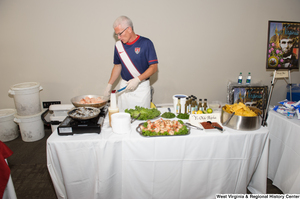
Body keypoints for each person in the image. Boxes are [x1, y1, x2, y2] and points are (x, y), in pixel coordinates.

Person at [103, 16, 158, 111]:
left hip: (141, 88)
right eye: (117, 35)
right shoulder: (118, 46)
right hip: (124, 88)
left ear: (129, 29)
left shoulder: (146, 43)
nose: (119, 37)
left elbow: (153, 67)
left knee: (141, 119)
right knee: (123, 117)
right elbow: (117, 66)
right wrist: (109, 85)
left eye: (120, 34)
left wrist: (137, 80)